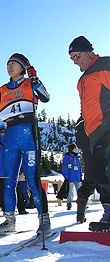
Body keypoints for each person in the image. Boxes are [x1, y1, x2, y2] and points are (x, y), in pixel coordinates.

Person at [0, 53, 51, 236]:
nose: (9, 67)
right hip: (10, 134)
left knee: (33, 180)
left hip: (28, 133)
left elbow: (45, 97)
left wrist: (35, 80)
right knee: (9, 181)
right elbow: (0, 113)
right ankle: (9, 221)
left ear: (23, 67)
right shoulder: (3, 89)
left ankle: (44, 221)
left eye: (14, 64)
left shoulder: (30, 82)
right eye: (7, 64)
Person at [68, 36, 110, 231]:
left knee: (106, 169)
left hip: (107, 127)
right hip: (92, 132)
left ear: (88, 51)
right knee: (98, 173)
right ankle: (108, 212)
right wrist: (81, 126)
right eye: (72, 59)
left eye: (77, 56)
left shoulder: (105, 65)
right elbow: (86, 108)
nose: (75, 62)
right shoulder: (82, 79)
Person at [75, 116, 110, 223]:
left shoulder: (81, 120)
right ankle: (108, 213)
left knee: (88, 182)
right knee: (103, 180)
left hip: (88, 154)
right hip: (100, 150)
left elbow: (79, 143)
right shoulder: (100, 113)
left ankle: (80, 214)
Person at [0, 126, 27, 214]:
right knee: (1, 193)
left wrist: (21, 169)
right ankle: (5, 209)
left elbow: (19, 157)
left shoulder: (14, 144)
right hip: (0, 174)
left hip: (12, 172)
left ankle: (21, 209)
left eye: (5, 132)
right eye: (2, 132)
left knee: (17, 191)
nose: (4, 133)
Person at [62, 143, 82, 210]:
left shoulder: (76, 157)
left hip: (77, 177)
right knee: (70, 192)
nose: (76, 149)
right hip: (70, 177)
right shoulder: (67, 157)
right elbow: (64, 167)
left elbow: (79, 167)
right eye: (75, 148)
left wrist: (80, 175)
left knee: (79, 191)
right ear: (72, 149)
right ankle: (69, 204)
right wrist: (66, 176)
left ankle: (81, 204)